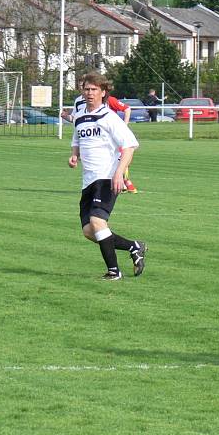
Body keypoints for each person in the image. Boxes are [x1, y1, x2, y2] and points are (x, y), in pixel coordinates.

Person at [68, 72, 147, 281]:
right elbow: (77, 139)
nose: (89, 93)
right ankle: (134, 246)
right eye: (86, 89)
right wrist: (74, 155)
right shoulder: (79, 116)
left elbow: (130, 146)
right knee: (88, 231)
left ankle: (114, 271)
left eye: (94, 89)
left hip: (106, 177)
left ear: (103, 93)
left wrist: (119, 174)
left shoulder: (109, 117)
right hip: (88, 180)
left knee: (97, 221)